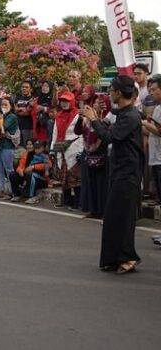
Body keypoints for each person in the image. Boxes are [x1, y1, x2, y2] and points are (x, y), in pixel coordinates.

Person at [80, 75, 143, 274]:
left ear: (118, 92)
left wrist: (93, 120)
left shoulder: (132, 115)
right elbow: (111, 129)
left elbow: (110, 137)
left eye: (111, 90)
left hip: (128, 173)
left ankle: (129, 257)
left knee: (123, 218)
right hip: (118, 171)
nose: (109, 93)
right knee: (113, 217)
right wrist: (97, 119)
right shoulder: (123, 113)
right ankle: (113, 258)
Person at [51, 91, 84, 210]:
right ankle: (67, 200)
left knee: (75, 177)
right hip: (61, 149)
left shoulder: (77, 115)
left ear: (72, 102)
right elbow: (55, 132)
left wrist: (81, 150)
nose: (64, 104)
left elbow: (81, 134)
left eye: (67, 101)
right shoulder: (58, 115)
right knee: (64, 176)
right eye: (62, 101)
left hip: (74, 148)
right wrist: (52, 149)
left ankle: (78, 202)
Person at [142, 76, 161, 244]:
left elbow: (159, 131)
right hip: (155, 158)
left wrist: (145, 124)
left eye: (155, 89)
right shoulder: (156, 108)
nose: (152, 93)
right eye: (150, 90)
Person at [0, 98, 19, 199]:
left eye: (6, 104)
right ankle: (0, 190)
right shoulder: (0, 116)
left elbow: (1, 128)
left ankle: (12, 191)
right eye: (2, 105)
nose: (3, 107)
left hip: (7, 145)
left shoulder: (12, 117)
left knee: (9, 169)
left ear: (10, 105)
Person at [14, 81, 35, 145]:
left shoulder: (33, 99)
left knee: (27, 146)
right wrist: (22, 109)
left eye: (26, 87)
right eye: (23, 87)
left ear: (31, 89)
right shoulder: (17, 98)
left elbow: (27, 113)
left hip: (28, 127)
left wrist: (19, 110)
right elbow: (15, 110)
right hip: (18, 126)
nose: (24, 89)